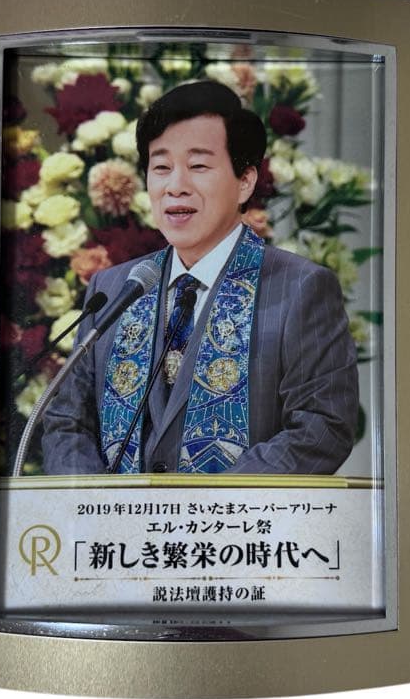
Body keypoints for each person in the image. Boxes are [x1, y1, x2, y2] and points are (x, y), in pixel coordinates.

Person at [42, 80, 359, 475]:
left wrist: (209, 502)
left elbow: (321, 427)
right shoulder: (114, 288)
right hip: (114, 517)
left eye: (198, 167)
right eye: (161, 168)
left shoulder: (301, 287)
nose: (176, 186)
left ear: (245, 181)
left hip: (233, 515)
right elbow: (66, 422)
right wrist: (98, 504)